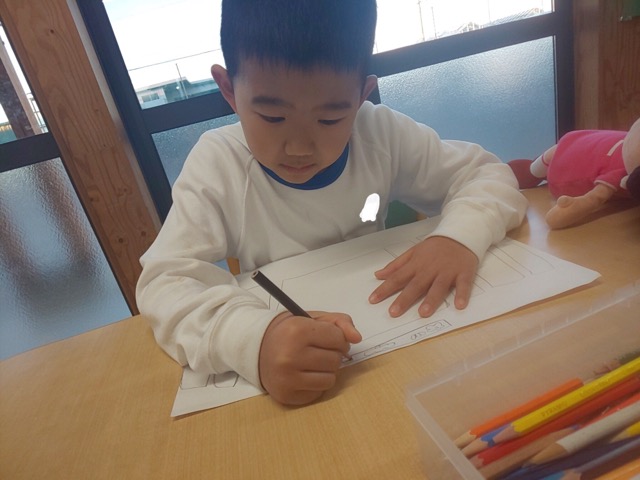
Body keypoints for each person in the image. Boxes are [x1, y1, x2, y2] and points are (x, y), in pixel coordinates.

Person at [136, 0, 527, 406]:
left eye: (329, 120)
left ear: (361, 97)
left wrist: (458, 238)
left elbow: (486, 174)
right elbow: (165, 281)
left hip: (391, 355)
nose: (299, 147)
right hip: (295, 372)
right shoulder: (218, 164)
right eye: (272, 117)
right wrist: (254, 338)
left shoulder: (380, 133)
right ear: (229, 90)